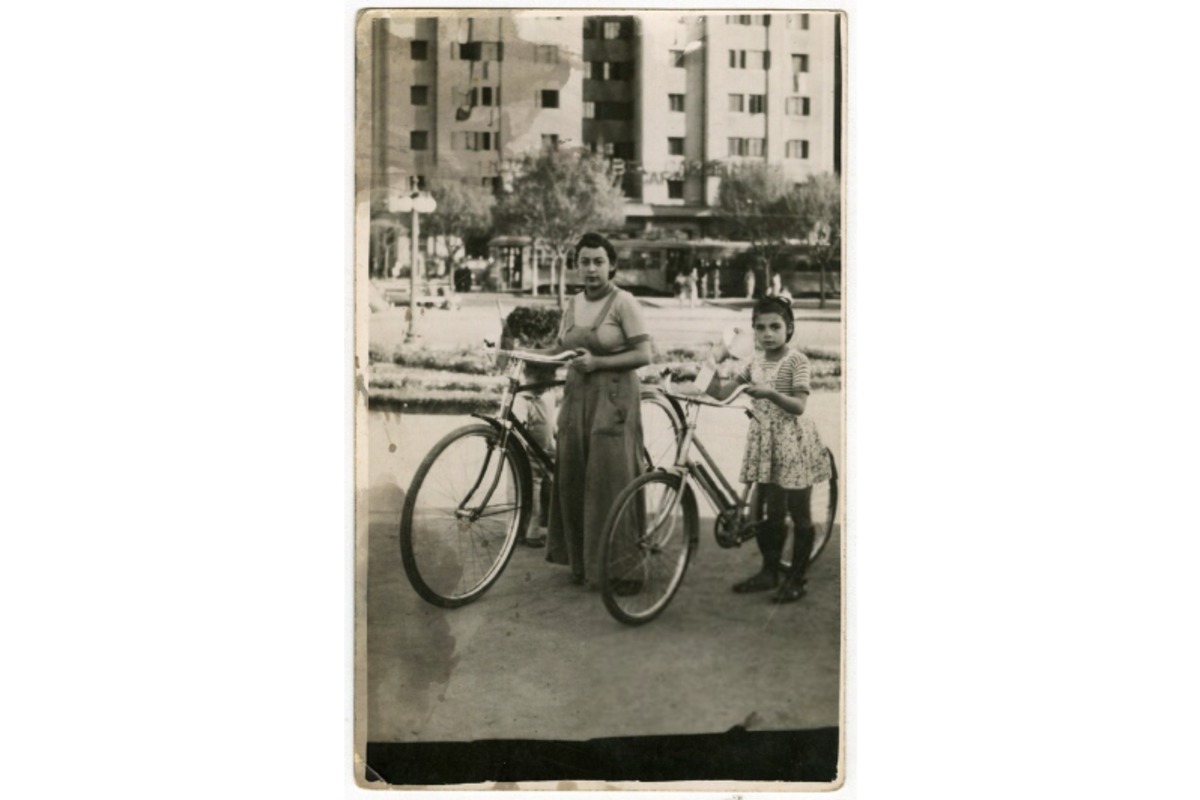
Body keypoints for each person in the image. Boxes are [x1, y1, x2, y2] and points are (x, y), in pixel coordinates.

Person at [699, 295, 831, 603]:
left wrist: (770, 393)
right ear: (753, 331)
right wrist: (708, 366)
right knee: (772, 514)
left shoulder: (796, 361)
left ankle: (797, 578)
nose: (767, 333)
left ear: (790, 328)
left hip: (794, 443)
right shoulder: (753, 363)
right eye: (760, 328)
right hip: (766, 444)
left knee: (798, 513)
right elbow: (720, 393)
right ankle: (769, 571)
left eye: (775, 326)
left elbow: (798, 405)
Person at [546, 232, 653, 588]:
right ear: (576, 265)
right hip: (577, 397)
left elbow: (644, 355)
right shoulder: (573, 303)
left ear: (612, 266)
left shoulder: (625, 303)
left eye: (598, 262)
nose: (591, 269)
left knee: (610, 481)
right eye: (584, 261)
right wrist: (520, 357)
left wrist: (600, 363)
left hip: (614, 399)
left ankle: (622, 570)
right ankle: (584, 564)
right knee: (574, 477)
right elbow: (561, 349)